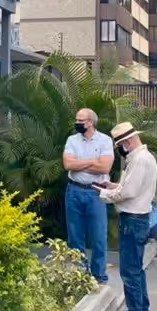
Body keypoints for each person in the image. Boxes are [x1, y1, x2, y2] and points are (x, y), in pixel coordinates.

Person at [99, 122, 157, 311]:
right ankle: (140, 310)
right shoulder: (143, 158)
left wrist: (105, 194)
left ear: (128, 142)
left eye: (121, 145)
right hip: (138, 218)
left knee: (130, 270)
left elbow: (128, 193)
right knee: (136, 269)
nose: (120, 150)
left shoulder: (139, 160)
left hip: (133, 219)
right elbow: (130, 187)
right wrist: (114, 186)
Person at [63, 108, 114, 286]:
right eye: (77, 120)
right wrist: (93, 162)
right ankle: (80, 273)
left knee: (98, 235)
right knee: (75, 235)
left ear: (91, 122)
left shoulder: (105, 141)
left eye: (81, 120)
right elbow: (67, 164)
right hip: (74, 191)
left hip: (96, 192)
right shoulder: (72, 140)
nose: (77, 123)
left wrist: (79, 165)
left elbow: (104, 168)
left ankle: (99, 275)